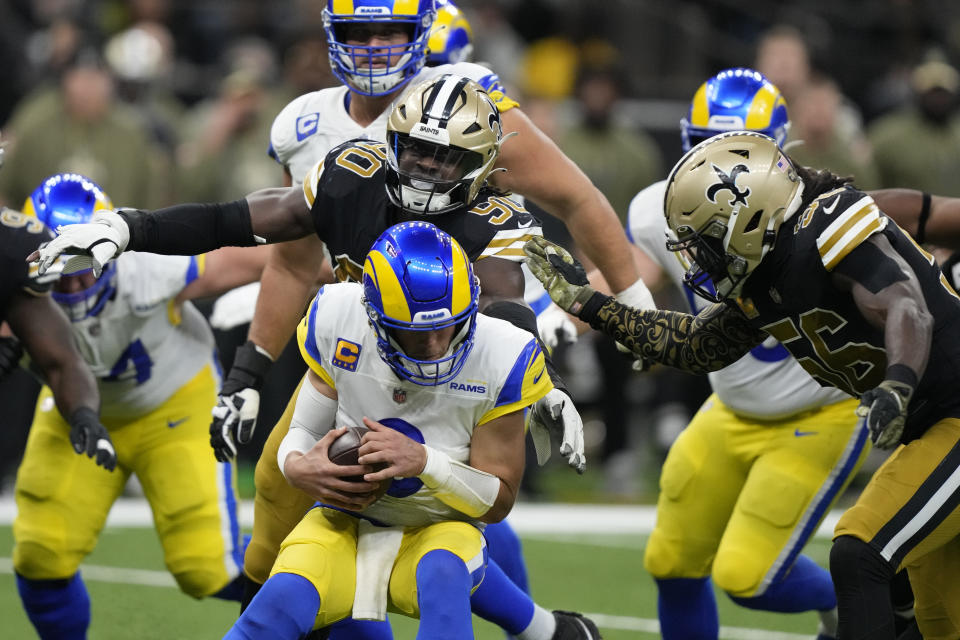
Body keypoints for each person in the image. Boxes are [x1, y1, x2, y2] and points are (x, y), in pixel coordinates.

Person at [30, 74, 602, 640]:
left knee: (451, 529)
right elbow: (237, 220)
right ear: (393, 143)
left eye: (445, 157)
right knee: (282, 494)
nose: (426, 166)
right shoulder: (350, 176)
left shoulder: (499, 226)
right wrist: (129, 227)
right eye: (417, 150)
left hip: (444, 394)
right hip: (351, 373)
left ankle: (535, 628)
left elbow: (507, 316)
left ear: (481, 164)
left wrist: (534, 383)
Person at [525, 130, 960, 640]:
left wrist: (899, 384)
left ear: (748, 219)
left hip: (951, 414)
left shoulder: (827, 224)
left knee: (860, 550)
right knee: (940, 623)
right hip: (930, 427)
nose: (698, 261)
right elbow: (693, 345)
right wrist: (588, 304)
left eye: (706, 243)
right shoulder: (765, 274)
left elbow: (903, 303)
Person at [623, 68, 867, 640]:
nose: (718, 170)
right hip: (730, 408)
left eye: (736, 151)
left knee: (751, 577)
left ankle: (870, 597)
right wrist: (560, 320)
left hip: (820, 412)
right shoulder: (655, 209)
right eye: (704, 145)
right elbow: (628, 281)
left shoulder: (821, 216)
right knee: (671, 563)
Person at [226, 221, 549, 640]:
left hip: (440, 529)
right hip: (344, 519)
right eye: (416, 333)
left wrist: (425, 462)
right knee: (274, 608)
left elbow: (498, 501)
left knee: (444, 577)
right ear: (373, 316)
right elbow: (304, 430)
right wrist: (297, 468)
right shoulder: (341, 318)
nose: (434, 346)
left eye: (445, 326)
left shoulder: (501, 353)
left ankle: (541, 628)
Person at [14, 172, 266, 639]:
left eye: (83, 264)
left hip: (174, 407)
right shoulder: (13, 283)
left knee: (206, 566)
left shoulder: (146, 267)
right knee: (40, 552)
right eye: (58, 268)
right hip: (76, 411)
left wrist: (294, 283)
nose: (72, 287)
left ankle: (326, 599)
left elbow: (271, 257)